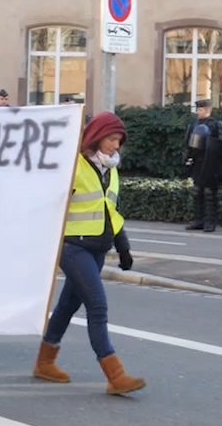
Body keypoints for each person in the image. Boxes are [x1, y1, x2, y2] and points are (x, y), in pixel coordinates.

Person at [34, 111, 147, 396]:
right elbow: (48, 203)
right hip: (73, 247)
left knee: (68, 306)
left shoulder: (111, 169)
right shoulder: (74, 166)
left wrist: (123, 247)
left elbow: (111, 211)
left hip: (98, 248)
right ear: (96, 137)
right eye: (111, 139)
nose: (115, 146)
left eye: (119, 140)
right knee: (97, 305)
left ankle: (44, 362)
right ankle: (115, 375)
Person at [183, 99, 222, 232]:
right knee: (197, 192)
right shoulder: (194, 125)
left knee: (209, 193)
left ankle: (210, 222)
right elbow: (188, 144)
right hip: (198, 163)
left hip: (211, 164)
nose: (198, 112)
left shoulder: (216, 125)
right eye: (198, 109)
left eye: (201, 109)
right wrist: (187, 159)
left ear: (208, 110)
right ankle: (198, 220)